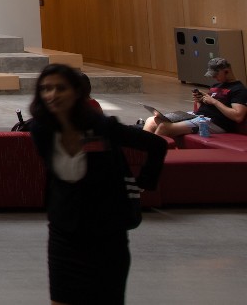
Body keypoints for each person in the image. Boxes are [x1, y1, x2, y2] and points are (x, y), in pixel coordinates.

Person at [29, 64, 166, 305]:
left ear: (76, 92)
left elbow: (157, 146)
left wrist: (142, 184)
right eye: (46, 89)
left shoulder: (102, 127)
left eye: (60, 88)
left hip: (107, 234)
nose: (52, 94)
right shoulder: (42, 130)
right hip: (64, 232)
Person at [142, 57, 247, 137]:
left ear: (226, 71)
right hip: (198, 116)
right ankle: (140, 152)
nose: (214, 78)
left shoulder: (238, 89)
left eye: (216, 75)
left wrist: (215, 102)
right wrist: (199, 100)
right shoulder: (216, 86)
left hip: (215, 122)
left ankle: (153, 157)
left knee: (164, 127)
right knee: (152, 120)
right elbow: (202, 108)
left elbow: (238, 116)